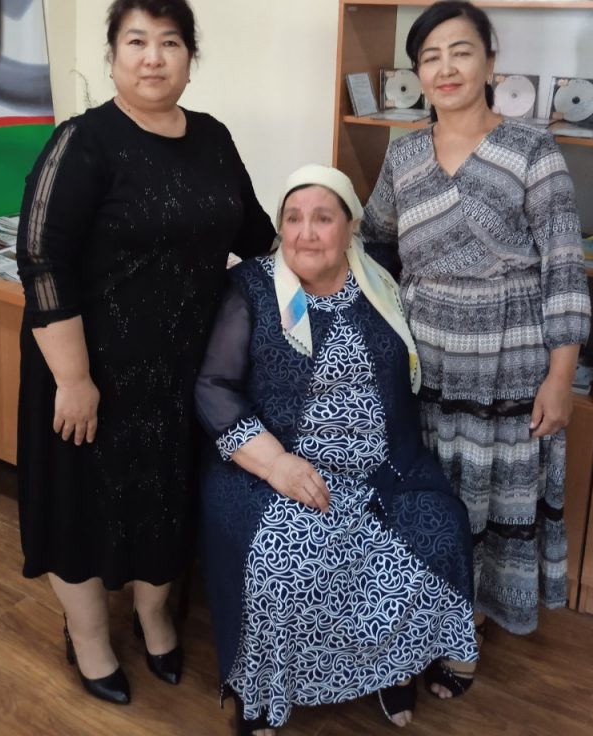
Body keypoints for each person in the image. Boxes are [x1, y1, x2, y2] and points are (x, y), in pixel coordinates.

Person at [16, 0, 275, 705]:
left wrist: (326, 256)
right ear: (113, 56)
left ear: (191, 58)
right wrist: (73, 380)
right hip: (88, 367)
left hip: (178, 371)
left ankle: (156, 617)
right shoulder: (84, 142)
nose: (153, 57)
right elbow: (41, 260)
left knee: (163, 499)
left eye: (170, 43)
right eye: (136, 41)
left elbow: (255, 235)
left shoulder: (213, 138)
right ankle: (89, 636)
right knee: (81, 504)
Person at [195, 165, 478, 735]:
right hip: (270, 467)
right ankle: (263, 693)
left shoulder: (381, 282)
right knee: (282, 561)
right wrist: (276, 464)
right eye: (293, 219)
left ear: (351, 228)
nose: (305, 233)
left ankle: (392, 666)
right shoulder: (254, 287)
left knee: (436, 530)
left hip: (386, 468)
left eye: (323, 218)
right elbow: (213, 387)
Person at [361, 0, 591, 644]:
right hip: (424, 351)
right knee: (427, 483)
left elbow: (565, 267)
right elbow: (375, 240)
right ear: (417, 73)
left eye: (460, 52)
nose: (446, 68)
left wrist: (560, 378)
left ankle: (473, 615)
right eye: (430, 57)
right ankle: (424, 610)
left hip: (508, 356)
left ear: (490, 63)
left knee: (493, 491)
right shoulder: (404, 155)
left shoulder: (532, 149)